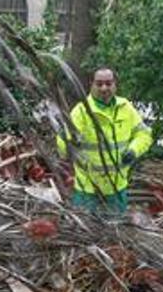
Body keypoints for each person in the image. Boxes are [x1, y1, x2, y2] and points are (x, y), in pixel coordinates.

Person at [57, 68, 153, 214]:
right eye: (99, 84)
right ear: (92, 85)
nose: (104, 88)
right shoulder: (82, 111)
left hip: (116, 186)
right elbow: (64, 144)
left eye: (108, 83)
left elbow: (144, 134)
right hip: (87, 188)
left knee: (115, 231)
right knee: (85, 231)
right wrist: (65, 143)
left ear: (115, 85)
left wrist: (134, 150)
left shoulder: (125, 107)